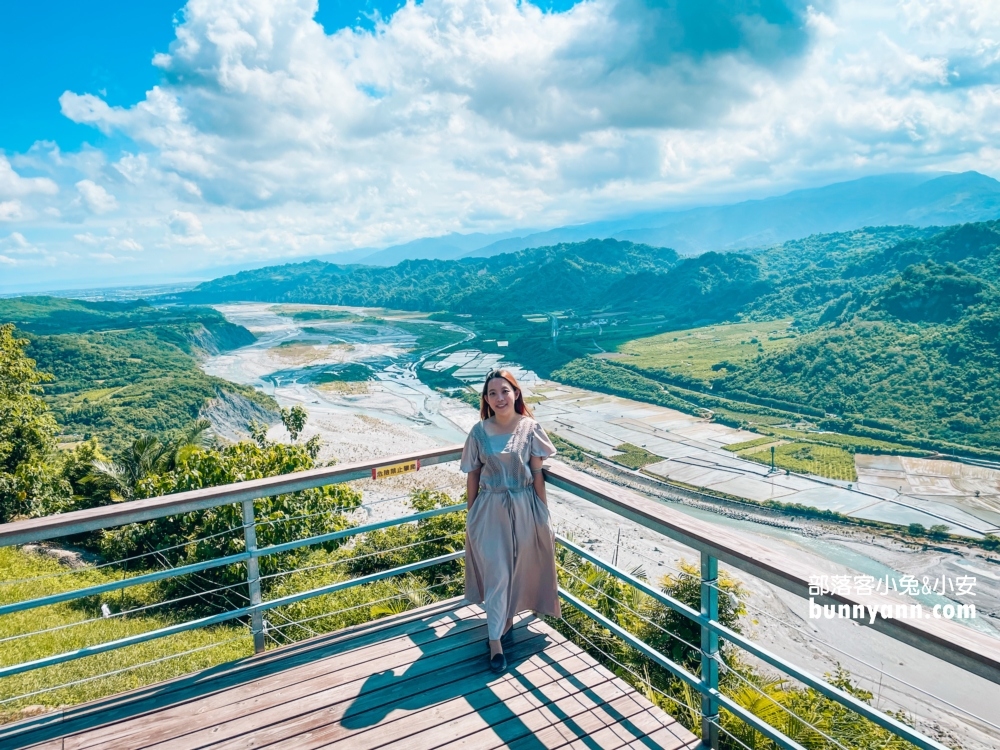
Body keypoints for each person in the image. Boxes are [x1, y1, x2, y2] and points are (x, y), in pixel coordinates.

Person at [460, 368, 561, 673]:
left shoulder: (530, 428)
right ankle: (494, 643)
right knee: (497, 572)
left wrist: (543, 514)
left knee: (517, 568)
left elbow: (538, 474)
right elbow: (473, 475)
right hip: (489, 510)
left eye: (504, 390)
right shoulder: (478, 432)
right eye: (492, 393)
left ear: (516, 393)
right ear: (486, 399)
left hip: (524, 507)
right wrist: (472, 515)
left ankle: (503, 621)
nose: (499, 398)